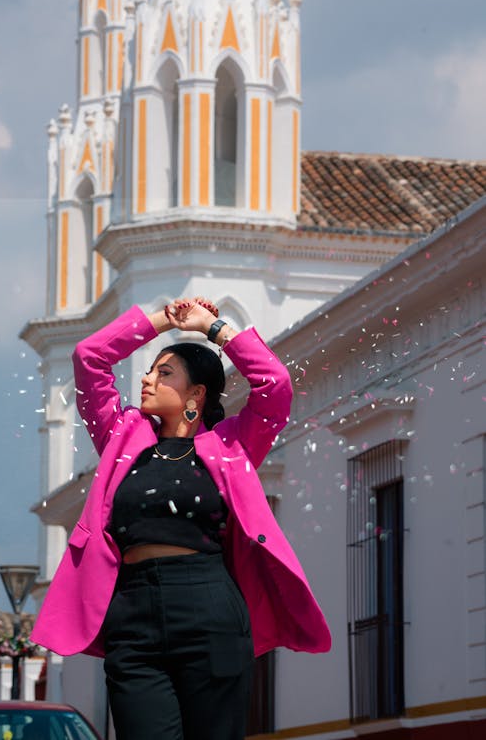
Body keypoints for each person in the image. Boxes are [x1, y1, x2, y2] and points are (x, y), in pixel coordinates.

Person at [31, 297, 331, 740]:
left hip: (209, 607)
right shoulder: (122, 436)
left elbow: (274, 383)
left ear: (196, 394)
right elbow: (89, 358)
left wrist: (213, 327)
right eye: (151, 370)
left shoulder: (233, 444)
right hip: (131, 615)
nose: (148, 379)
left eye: (164, 372)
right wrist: (162, 322)